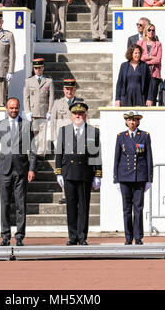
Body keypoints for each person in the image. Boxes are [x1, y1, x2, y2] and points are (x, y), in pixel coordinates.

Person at [0, 97, 37, 247]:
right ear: (6, 108)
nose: (14, 110)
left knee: (20, 204)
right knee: (4, 204)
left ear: (19, 108)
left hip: (21, 170)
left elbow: (33, 149)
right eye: (11, 108)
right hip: (4, 170)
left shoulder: (26, 125)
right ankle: (5, 235)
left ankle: (19, 236)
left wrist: (31, 168)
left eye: (16, 108)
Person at [55, 101, 101, 245]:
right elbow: (59, 153)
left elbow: (96, 155)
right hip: (69, 172)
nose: (78, 116)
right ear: (71, 115)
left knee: (84, 206)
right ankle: (72, 236)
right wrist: (58, 172)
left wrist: (98, 174)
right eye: (75, 113)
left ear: (85, 115)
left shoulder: (93, 131)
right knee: (71, 206)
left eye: (81, 113)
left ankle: (82, 237)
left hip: (85, 173)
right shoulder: (64, 131)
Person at [113, 111, 152, 245]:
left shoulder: (144, 136)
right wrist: (116, 179)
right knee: (126, 209)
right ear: (126, 122)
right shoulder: (121, 137)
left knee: (139, 208)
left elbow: (148, 158)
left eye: (134, 120)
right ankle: (128, 237)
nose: (132, 122)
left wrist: (149, 178)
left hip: (139, 177)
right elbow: (116, 158)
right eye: (130, 120)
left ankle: (138, 236)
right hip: (124, 177)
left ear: (138, 122)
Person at [50, 78, 84, 204]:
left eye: (72, 89)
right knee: (64, 167)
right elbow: (53, 122)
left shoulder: (80, 103)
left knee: (78, 166)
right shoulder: (57, 104)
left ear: (75, 89)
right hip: (63, 141)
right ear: (64, 90)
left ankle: (78, 192)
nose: (69, 91)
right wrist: (54, 139)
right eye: (67, 89)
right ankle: (66, 194)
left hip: (78, 139)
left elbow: (86, 120)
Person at [23, 58, 54, 157]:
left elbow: (51, 97)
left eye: (39, 68)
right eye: (36, 68)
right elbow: (26, 97)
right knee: (33, 133)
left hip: (44, 111)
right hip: (33, 112)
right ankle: (33, 153)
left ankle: (41, 154)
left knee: (42, 134)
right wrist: (27, 111)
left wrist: (50, 111)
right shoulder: (29, 81)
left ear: (43, 68)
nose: (38, 70)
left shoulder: (48, 81)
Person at [138, 23, 162, 105]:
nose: (151, 32)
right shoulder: (140, 43)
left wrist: (145, 59)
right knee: (142, 95)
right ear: (145, 31)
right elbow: (138, 58)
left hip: (154, 73)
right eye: (149, 30)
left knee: (152, 98)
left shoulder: (158, 44)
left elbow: (158, 60)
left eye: (153, 30)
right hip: (142, 73)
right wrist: (150, 56)